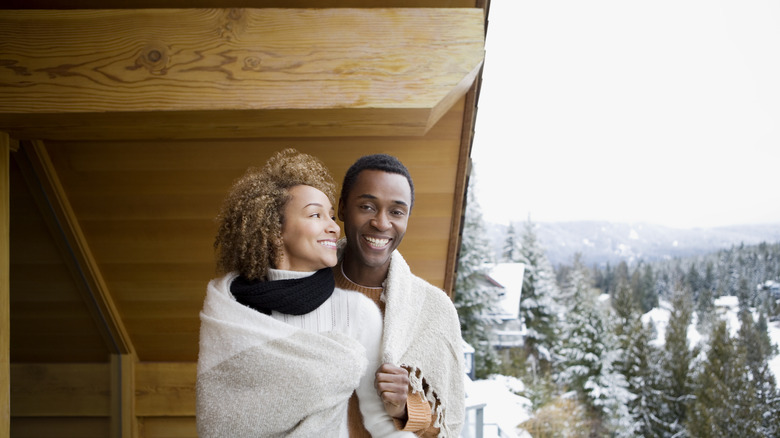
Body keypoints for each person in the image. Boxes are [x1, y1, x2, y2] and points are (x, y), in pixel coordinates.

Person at [196, 148, 415, 438]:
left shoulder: (358, 312)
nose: (333, 227)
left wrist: (400, 410)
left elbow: (380, 424)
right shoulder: (228, 309)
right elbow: (218, 417)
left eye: (332, 216)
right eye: (315, 214)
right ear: (275, 230)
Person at [334, 154, 465, 437]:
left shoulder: (433, 309)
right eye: (367, 206)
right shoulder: (301, 290)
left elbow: (448, 426)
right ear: (342, 208)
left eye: (396, 212)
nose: (381, 223)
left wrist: (404, 409)